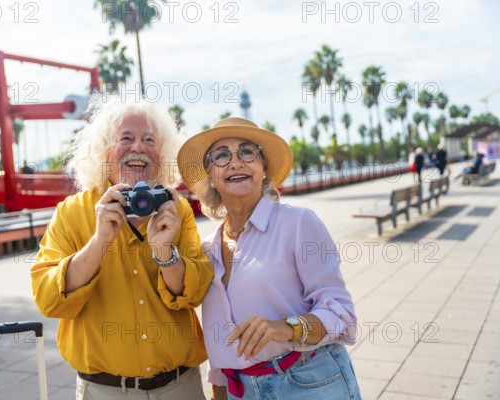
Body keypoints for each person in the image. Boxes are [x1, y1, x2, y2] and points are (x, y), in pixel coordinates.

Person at [31, 98, 214, 400]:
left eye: (150, 140)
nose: (138, 148)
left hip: (179, 387)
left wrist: (165, 252)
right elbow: (50, 299)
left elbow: (193, 294)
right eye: (125, 138)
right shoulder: (72, 212)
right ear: (104, 151)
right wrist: (99, 241)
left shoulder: (175, 210)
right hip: (103, 390)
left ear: (162, 153)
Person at [177, 117, 361, 400]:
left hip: (309, 382)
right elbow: (219, 339)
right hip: (241, 392)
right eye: (221, 156)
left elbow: (342, 314)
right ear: (211, 176)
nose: (235, 163)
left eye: (247, 152)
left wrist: (286, 327)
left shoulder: (298, 222)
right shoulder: (208, 250)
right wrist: (219, 390)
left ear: (263, 169)